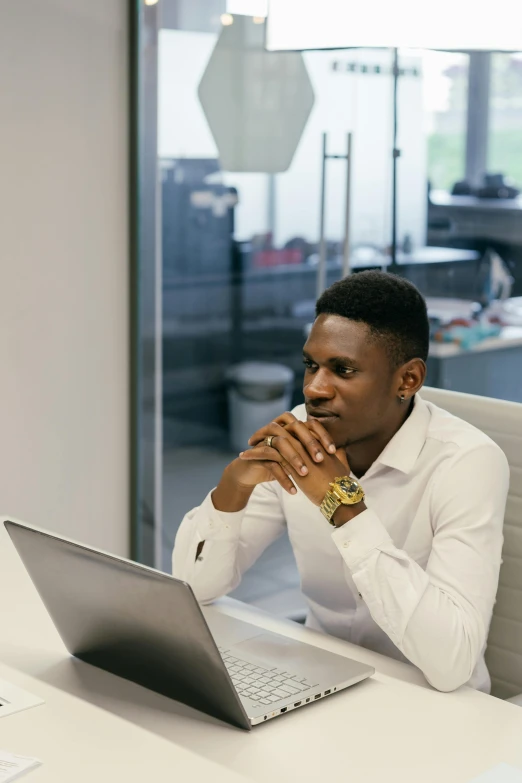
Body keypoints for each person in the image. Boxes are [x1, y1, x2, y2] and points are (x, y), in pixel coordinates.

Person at [173, 271, 509, 693]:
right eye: (311, 365)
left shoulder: (466, 463)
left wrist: (342, 504)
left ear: (408, 380)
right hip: (322, 679)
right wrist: (232, 490)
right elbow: (196, 587)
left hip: (429, 704)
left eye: (342, 370)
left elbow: (452, 664)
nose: (314, 389)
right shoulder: (300, 438)